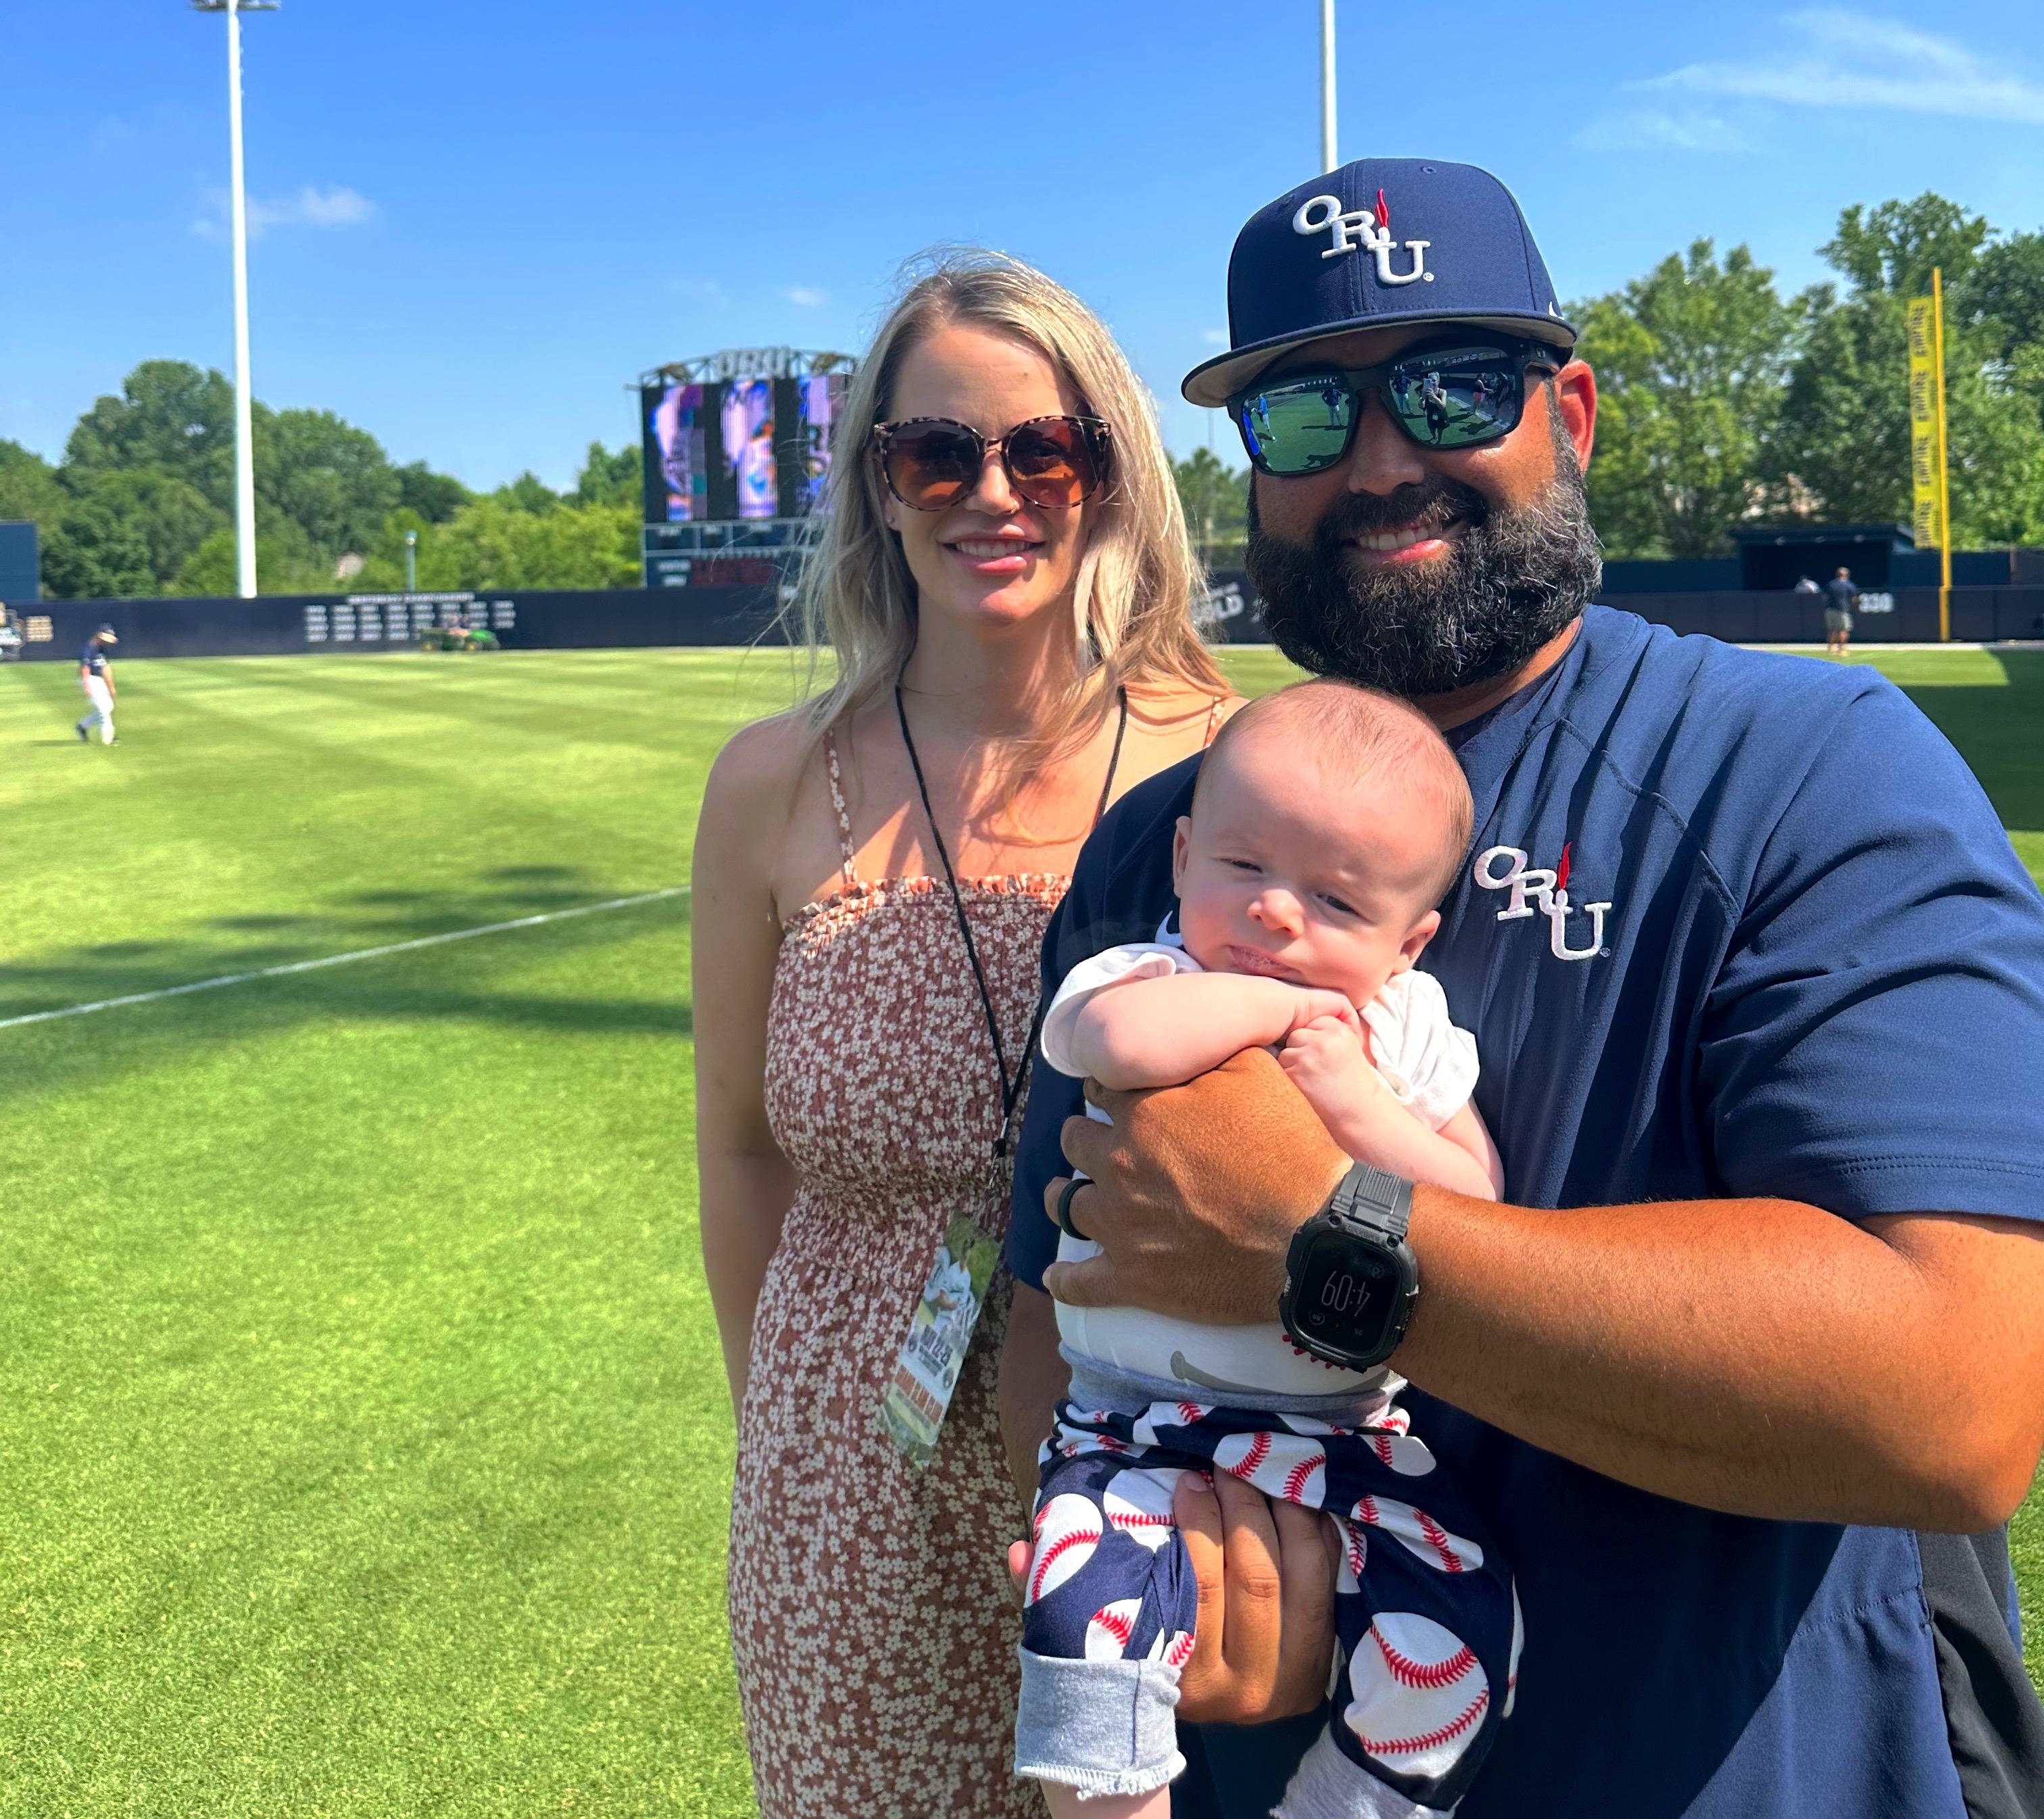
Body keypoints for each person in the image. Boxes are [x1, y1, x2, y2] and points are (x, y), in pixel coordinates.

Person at [999, 159, 2044, 1819]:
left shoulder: (1804, 773)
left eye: (1453, 385)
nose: (1382, 460)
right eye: (1304, 415)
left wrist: (1322, 1236)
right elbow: (1043, 1298)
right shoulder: (1165, 846)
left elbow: (1952, 1392)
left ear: (1571, 410)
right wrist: (1193, 1557)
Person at [692, 251, 1241, 1819]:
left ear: (1110, 472)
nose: (986, 492)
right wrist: (786, 1442)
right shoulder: (775, 785)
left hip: (1159, 1463)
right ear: (880, 483)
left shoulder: (1234, 765)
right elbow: (739, 1153)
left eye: (1039, 449)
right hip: (847, 1473)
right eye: (934, 450)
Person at [1016, 679, 1516, 1819]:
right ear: (1183, 859)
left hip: (1345, 1440)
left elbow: (1473, 1199)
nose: (1276, 917)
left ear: (1410, 941)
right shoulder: (1151, 973)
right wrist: (1278, 1015)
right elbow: (1118, 1043)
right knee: (1078, 1615)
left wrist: (1358, 1103)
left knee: (1465, 1624)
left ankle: (1350, 1802)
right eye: (1243, 869)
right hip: (1127, 1425)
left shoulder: (1400, 1033)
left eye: (1335, 900)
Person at [75, 623, 118, 744]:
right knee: (103, 709)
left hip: (99, 680)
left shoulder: (102, 648)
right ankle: (108, 739)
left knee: (108, 707)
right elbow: (85, 668)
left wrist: (111, 687)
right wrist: (86, 685)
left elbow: (106, 667)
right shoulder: (89, 648)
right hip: (90, 679)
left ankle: (83, 726)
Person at [1824, 564, 1858, 655]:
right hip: (1842, 610)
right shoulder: (1849, 585)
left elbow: (1826, 597)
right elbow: (1854, 598)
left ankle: (1831, 648)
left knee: (1831, 630)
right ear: (1846, 575)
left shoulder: (1831, 584)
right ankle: (1842, 649)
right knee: (1843, 630)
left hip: (1830, 610)